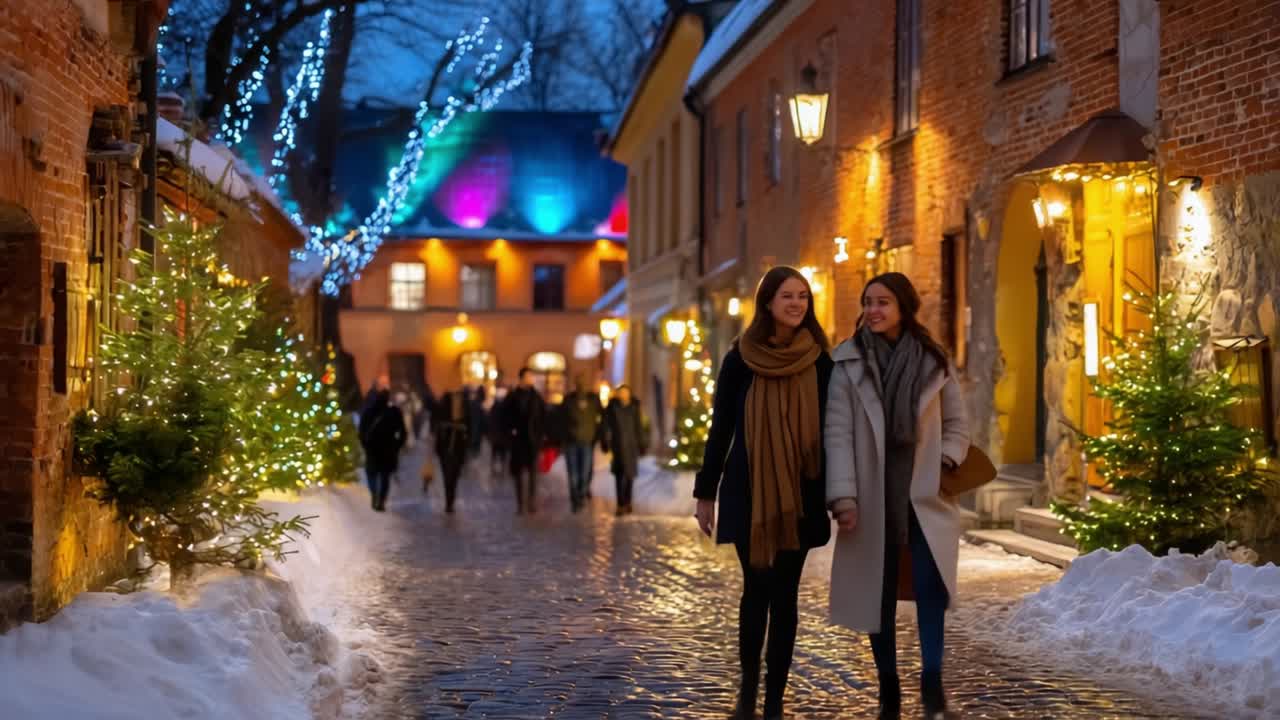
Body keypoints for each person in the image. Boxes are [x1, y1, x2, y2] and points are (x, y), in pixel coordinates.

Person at [825, 272, 969, 720]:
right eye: (868, 302)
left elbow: (958, 424)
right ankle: (888, 686)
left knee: (930, 590)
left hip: (924, 498)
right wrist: (844, 496)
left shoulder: (934, 361)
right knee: (878, 594)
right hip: (872, 499)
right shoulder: (847, 363)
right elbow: (837, 434)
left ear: (904, 307)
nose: (872, 310)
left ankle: (932, 680)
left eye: (882, 302)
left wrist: (946, 459)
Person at [693, 266, 833, 720]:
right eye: (788, 296)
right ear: (768, 301)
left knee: (786, 595)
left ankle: (775, 698)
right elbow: (722, 430)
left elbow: (834, 433)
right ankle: (748, 691)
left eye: (803, 297)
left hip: (802, 489)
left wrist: (841, 493)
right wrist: (705, 492)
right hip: (747, 489)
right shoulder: (740, 359)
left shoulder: (820, 361)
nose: (797, 304)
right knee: (755, 589)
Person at [501, 368, 547, 514]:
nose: (531, 379)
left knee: (533, 474)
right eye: (528, 377)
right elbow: (504, 416)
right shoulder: (513, 396)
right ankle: (520, 504)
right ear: (521, 378)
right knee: (518, 474)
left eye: (532, 377)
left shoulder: (536, 396)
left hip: (533, 440)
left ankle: (531, 502)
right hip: (518, 440)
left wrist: (542, 436)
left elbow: (542, 417)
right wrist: (509, 432)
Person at [600, 385, 647, 516]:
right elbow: (605, 425)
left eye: (625, 393)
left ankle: (628, 502)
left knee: (630, 476)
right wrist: (605, 441)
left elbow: (638, 426)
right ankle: (620, 504)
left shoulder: (634, 407)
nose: (623, 395)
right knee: (619, 476)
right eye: (621, 393)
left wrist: (642, 443)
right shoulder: (612, 407)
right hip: (618, 446)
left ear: (629, 394)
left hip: (631, 446)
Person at [359, 388, 408, 512]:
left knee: (372, 474)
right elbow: (403, 432)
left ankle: (375, 494)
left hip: (373, 449)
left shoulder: (369, 412)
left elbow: (361, 431)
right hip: (388, 449)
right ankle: (381, 500)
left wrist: (365, 445)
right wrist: (397, 446)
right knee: (385, 476)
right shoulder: (394, 412)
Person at [561, 374, 603, 512]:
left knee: (585, 472)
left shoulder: (593, 399)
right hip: (571, 442)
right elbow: (560, 419)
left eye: (584, 381)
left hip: (587, 441)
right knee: (573, 473)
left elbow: (601, 417)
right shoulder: (569, 399)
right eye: (580, 381)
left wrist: (598, 436)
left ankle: (581, 494)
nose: (582, 384)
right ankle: (575, 499)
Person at [432, 388, 471, 514]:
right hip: (445, 445)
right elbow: (436, 421)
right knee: (447, 474)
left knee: (454, 474)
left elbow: (470, 424)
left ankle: (451, 498)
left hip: (459, 446)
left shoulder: (466, 403)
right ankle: (449, 502)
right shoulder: (443, 402)